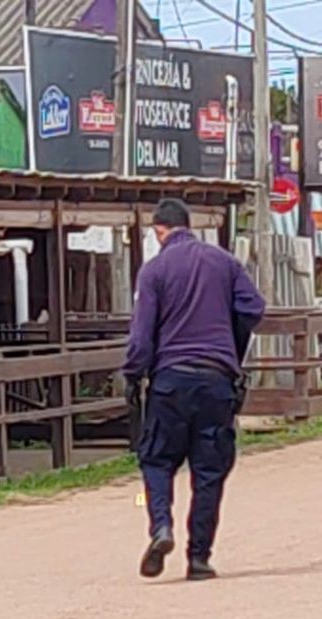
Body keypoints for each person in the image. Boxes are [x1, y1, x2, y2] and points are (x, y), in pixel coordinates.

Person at [123, 198, 266, 581]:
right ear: (191, 226)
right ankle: (199, 558)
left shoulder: (154, 271)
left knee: (156, 460)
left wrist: (133, 374)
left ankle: (161, 528)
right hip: (218, 380)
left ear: (159, 230)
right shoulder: (225, 263)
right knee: (209, 469)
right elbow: (254, 308)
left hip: (171, 380)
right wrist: (232, 347)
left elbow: (141, 335)